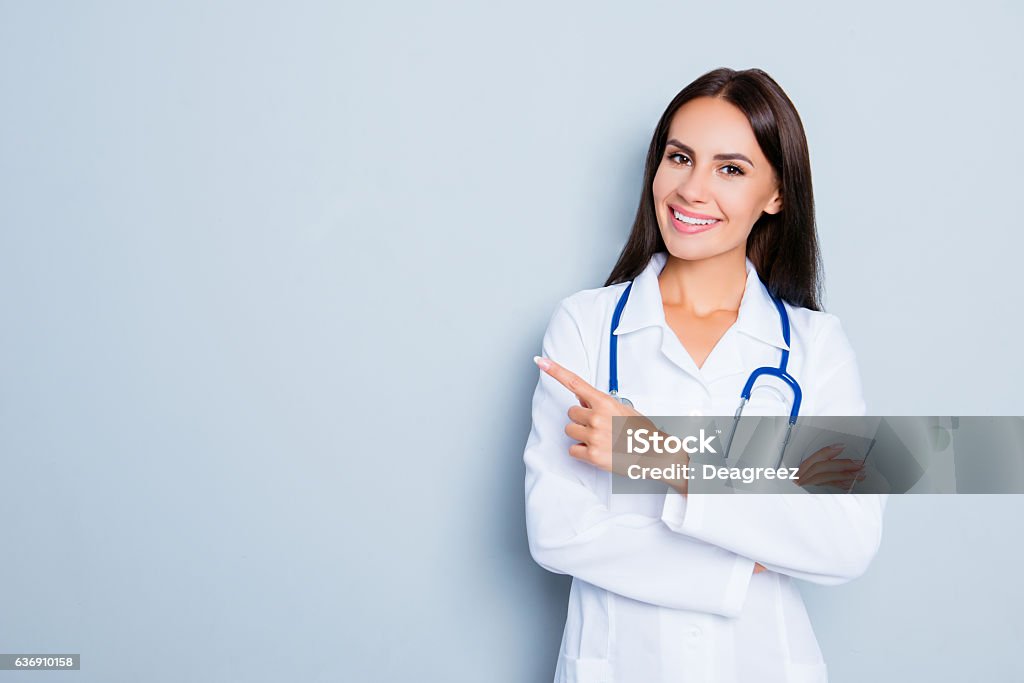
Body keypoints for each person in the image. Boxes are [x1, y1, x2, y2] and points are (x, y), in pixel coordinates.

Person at [522, 67, 888, 683]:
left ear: (777, 195)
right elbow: (555, 531)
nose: (692, 189)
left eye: (731, 169)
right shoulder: (585, 326)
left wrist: (666, 462)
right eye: (679, 157)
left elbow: (846, 541)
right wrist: (744, 561)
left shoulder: (815, 346)